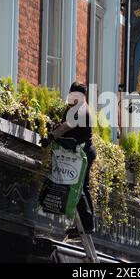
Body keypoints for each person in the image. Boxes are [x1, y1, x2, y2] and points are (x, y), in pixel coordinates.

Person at [42, 82, 96, 238]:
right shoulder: (77, 107)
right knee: (82, 186)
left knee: (79, 187)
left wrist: (51, 136)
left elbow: (67, 126)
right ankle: (87, 224)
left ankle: (87, 225)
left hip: (83, 152)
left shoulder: (80, 109)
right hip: (80, 151)